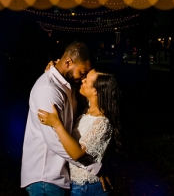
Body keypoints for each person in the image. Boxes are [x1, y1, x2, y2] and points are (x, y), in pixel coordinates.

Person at [21, 41, 106, 196]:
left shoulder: (68, 86)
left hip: (60, 178)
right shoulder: (48, 89)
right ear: (68, 62)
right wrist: (93, 168)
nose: (82, 78)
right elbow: (55, 142)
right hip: (45, 176)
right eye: (82, 73)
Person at [38, 68, 121, 196]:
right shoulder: (87, 109)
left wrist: (56, 124)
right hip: (79, 185)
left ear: (95, 91)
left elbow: (77, 154)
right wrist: (54, 68)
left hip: (88, 188)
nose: (82, 80)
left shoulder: (102, 122)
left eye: (86, 80)